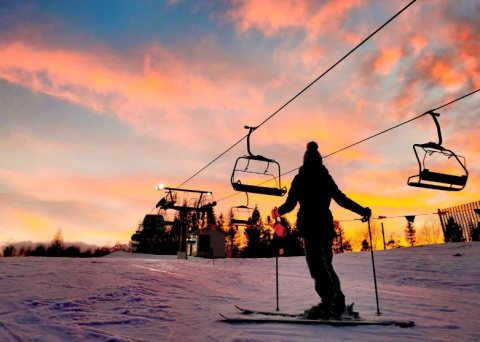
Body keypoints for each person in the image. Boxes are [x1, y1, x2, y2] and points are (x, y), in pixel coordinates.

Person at [271, 141, 371, 319]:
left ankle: (329, 304)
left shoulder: (300, 178)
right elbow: (341, 199)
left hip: (310, 227)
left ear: (304, 160)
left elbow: (291, 204)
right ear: (319, 160)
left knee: (317, 267)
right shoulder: (326, 177)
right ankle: (337, 303)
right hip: (325, 226)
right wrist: (362, 210)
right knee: (326, 265)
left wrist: (277, 211)